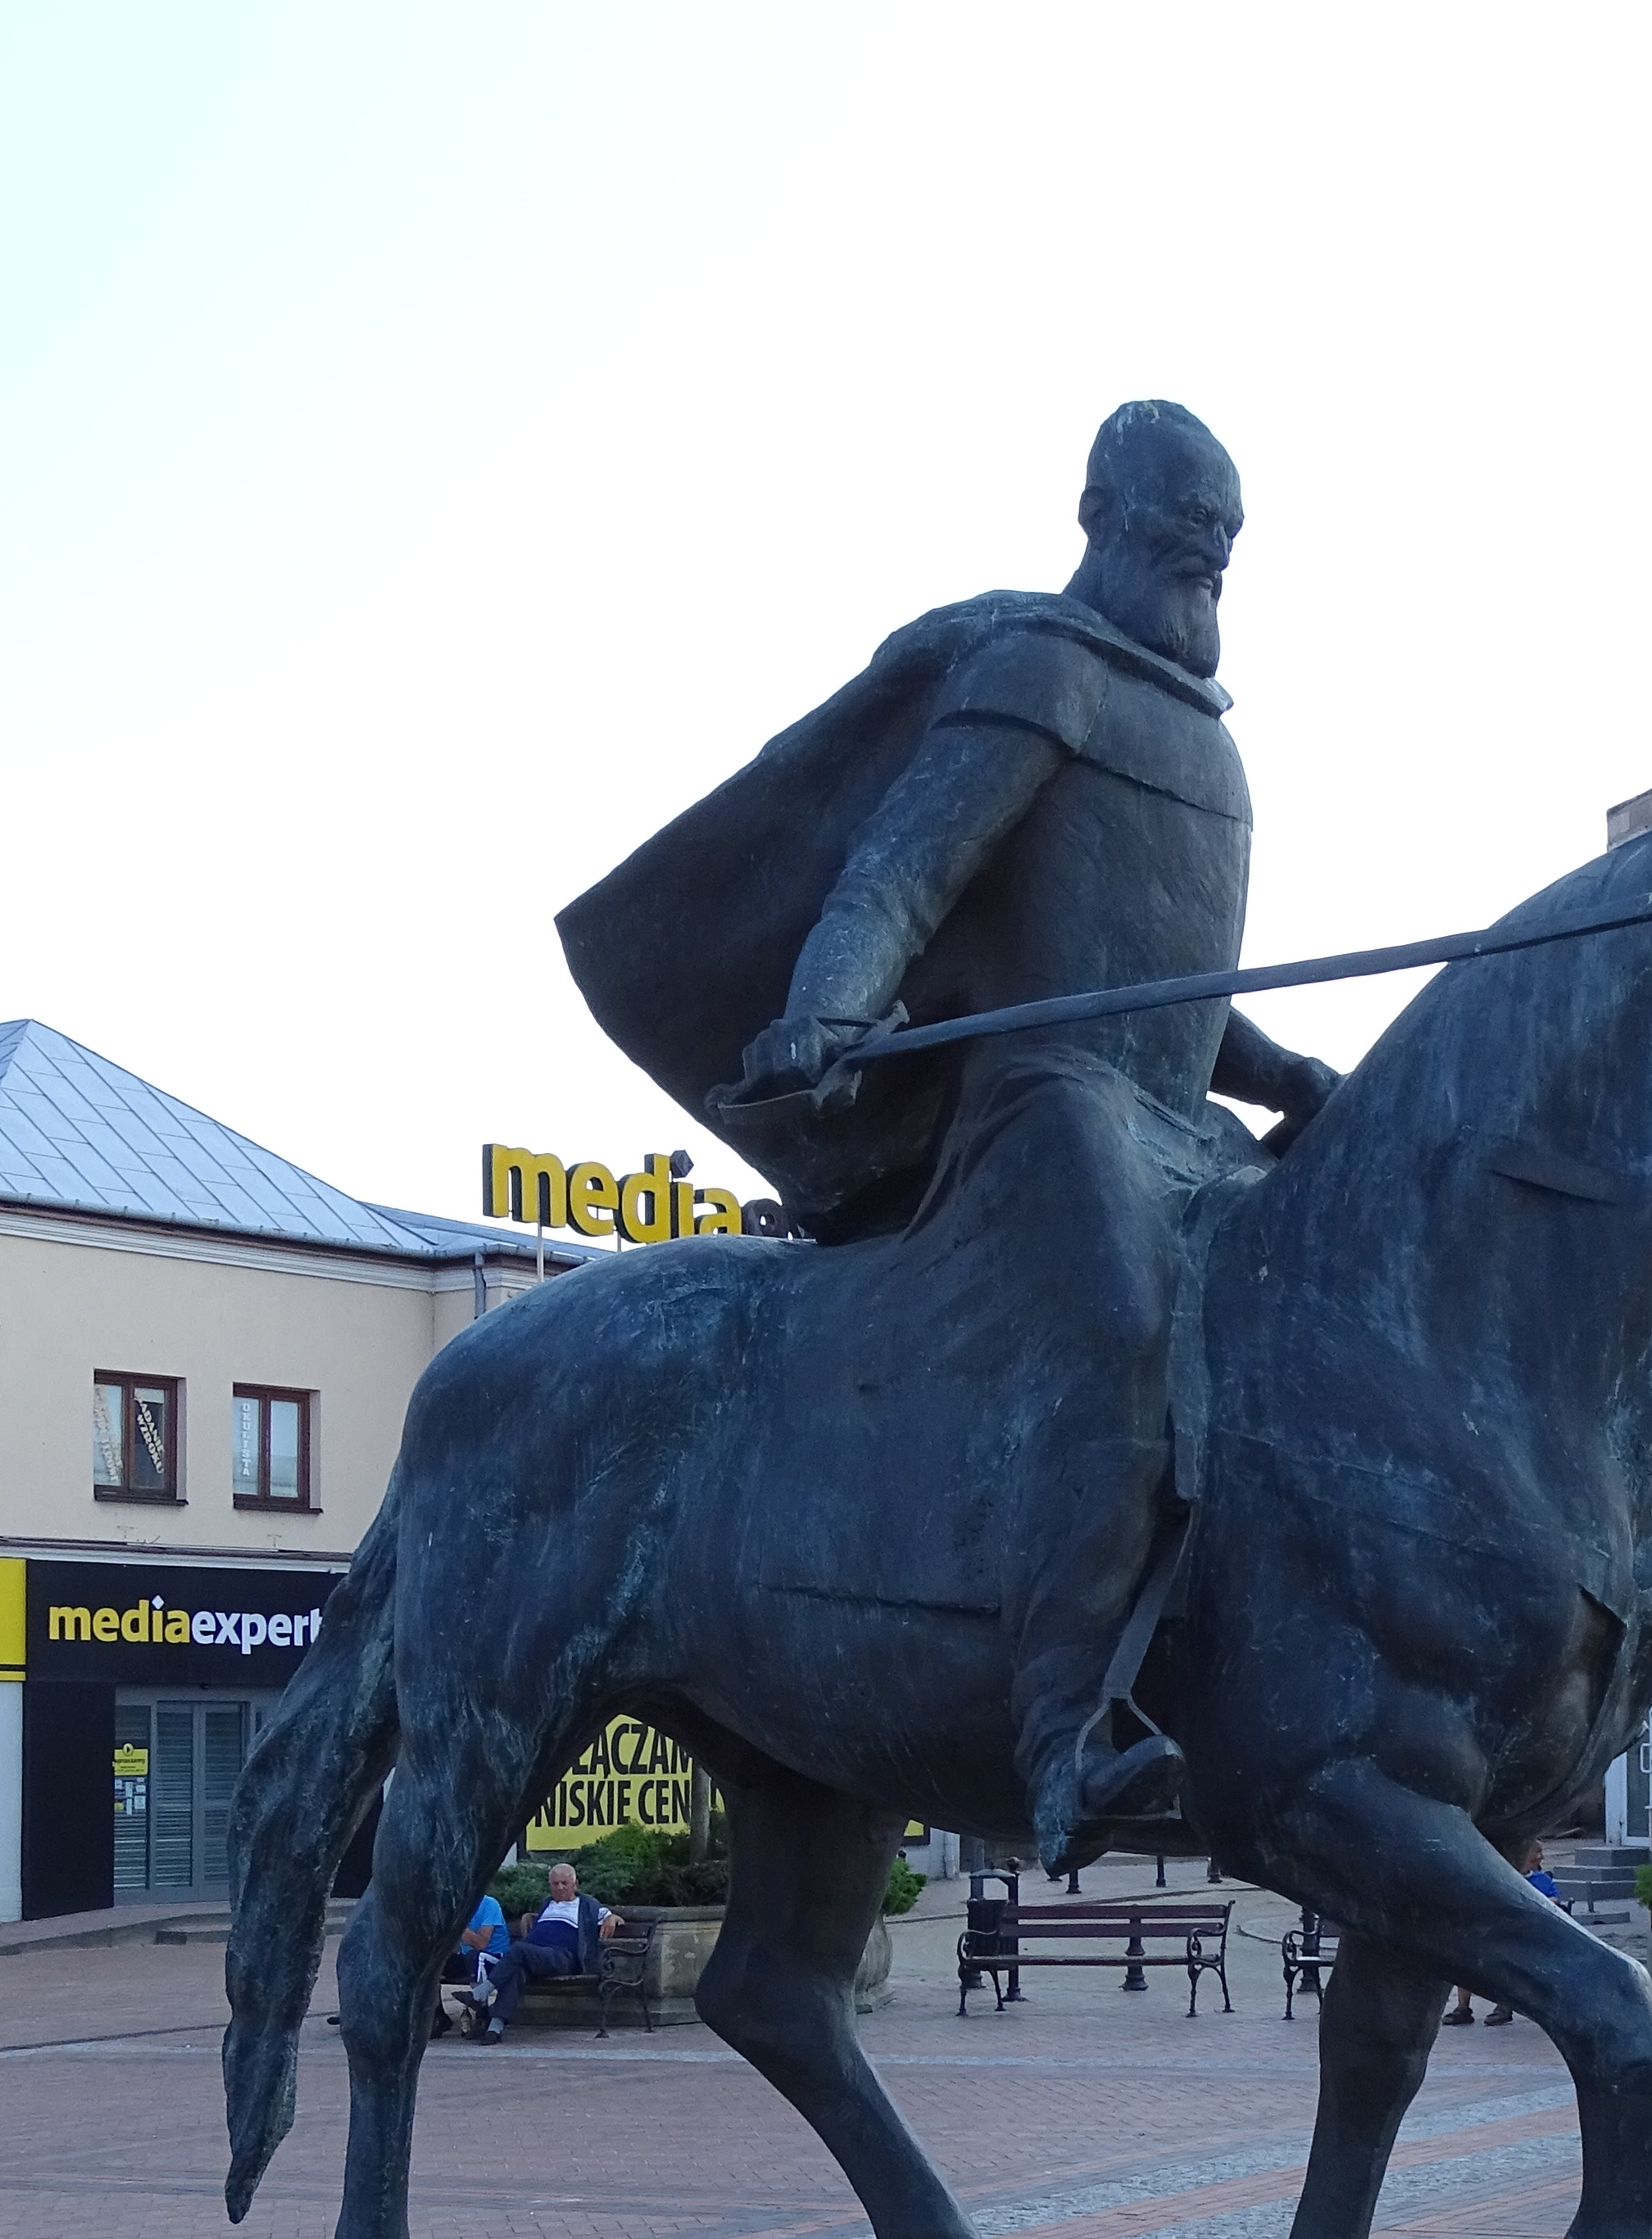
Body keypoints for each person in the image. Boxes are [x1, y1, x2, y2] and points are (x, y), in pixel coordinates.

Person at [570, 401, 1339, 1873]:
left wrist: (1285, 1072)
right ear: (1102, 514)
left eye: (1228, 536)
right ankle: (1066, 1727)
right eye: (1189, 523)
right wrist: (825, 1005)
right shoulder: (1041, 668)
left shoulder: (1211, 747)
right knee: (1121, 1316)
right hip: (1046, 1110)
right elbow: (904, 872)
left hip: (1173, 1123)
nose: (1213, 553)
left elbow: (1167, 989)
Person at [479, 1863, 615, 2042]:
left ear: (575, 1884)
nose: (560, 1887)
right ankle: (494, 2029)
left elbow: (610, 1916)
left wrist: (611, 1918)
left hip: (564, 1957)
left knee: (518, 1949)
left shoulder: (586, 1904)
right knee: (516, 1972)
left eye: (565, 1883)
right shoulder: (547, 1904)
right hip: (538, 1956)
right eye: (555, 1883)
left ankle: (482, 1992)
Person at [1445, 1838, 1569, 2028]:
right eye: (1537, 1852)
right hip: (1496, 1930)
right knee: (1466, 1960)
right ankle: (1463, 2008)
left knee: (1508, 1963)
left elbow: (1555, 1899)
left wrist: (1540, 1903)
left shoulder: (1542, 1879)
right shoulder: (1503, 1876)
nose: (1541, 1857)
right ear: (1524, 1853)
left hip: (1524, 1935)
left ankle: (1504, 2006)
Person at [438, 1887, 511, 2041]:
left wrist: (456, 1924)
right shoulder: (455, 1906)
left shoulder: (489, 1904)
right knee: (434, 1964)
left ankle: (482, 2014)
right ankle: (438, 2017)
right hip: (469, 1958)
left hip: (495, 1958)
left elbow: (481, 1943)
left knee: (476, 1957)